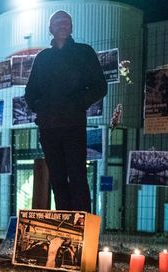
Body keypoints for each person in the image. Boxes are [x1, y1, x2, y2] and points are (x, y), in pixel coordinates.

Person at [25, 10, 107, 213]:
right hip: (49, 128)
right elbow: (30, 91)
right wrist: (40, 108)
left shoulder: (84, 52)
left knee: (77, 176)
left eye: (67, 22)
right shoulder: (43, 58)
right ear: (50, 28)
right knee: (58, 179)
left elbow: (100, 86)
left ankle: (82, 228)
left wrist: (79, 103)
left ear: (71, 27)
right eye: (58, 22)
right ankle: (64, 225)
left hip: (73, 126)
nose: (63, 25)